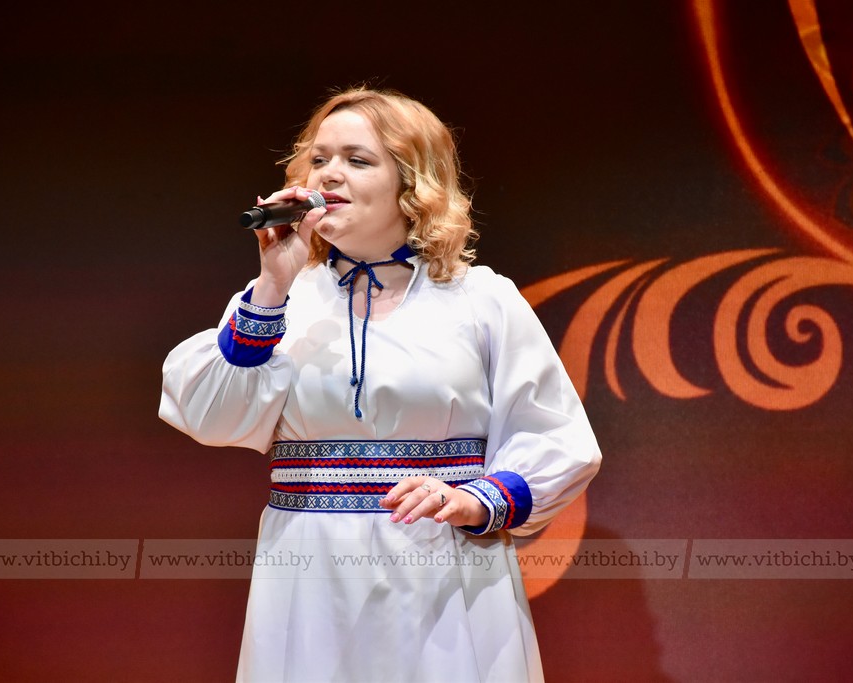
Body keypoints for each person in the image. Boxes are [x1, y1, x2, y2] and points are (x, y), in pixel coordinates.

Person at [159, 87, 602, 682]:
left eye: (358, 160)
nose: (329, 174)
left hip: (444, 566)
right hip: (309, 574)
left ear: (413, 182)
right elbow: (211, 416)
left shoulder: (480, 298)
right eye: (319, 159)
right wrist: (272, 285)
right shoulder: (284, 297)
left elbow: (559, 439)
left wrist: (477, 500)